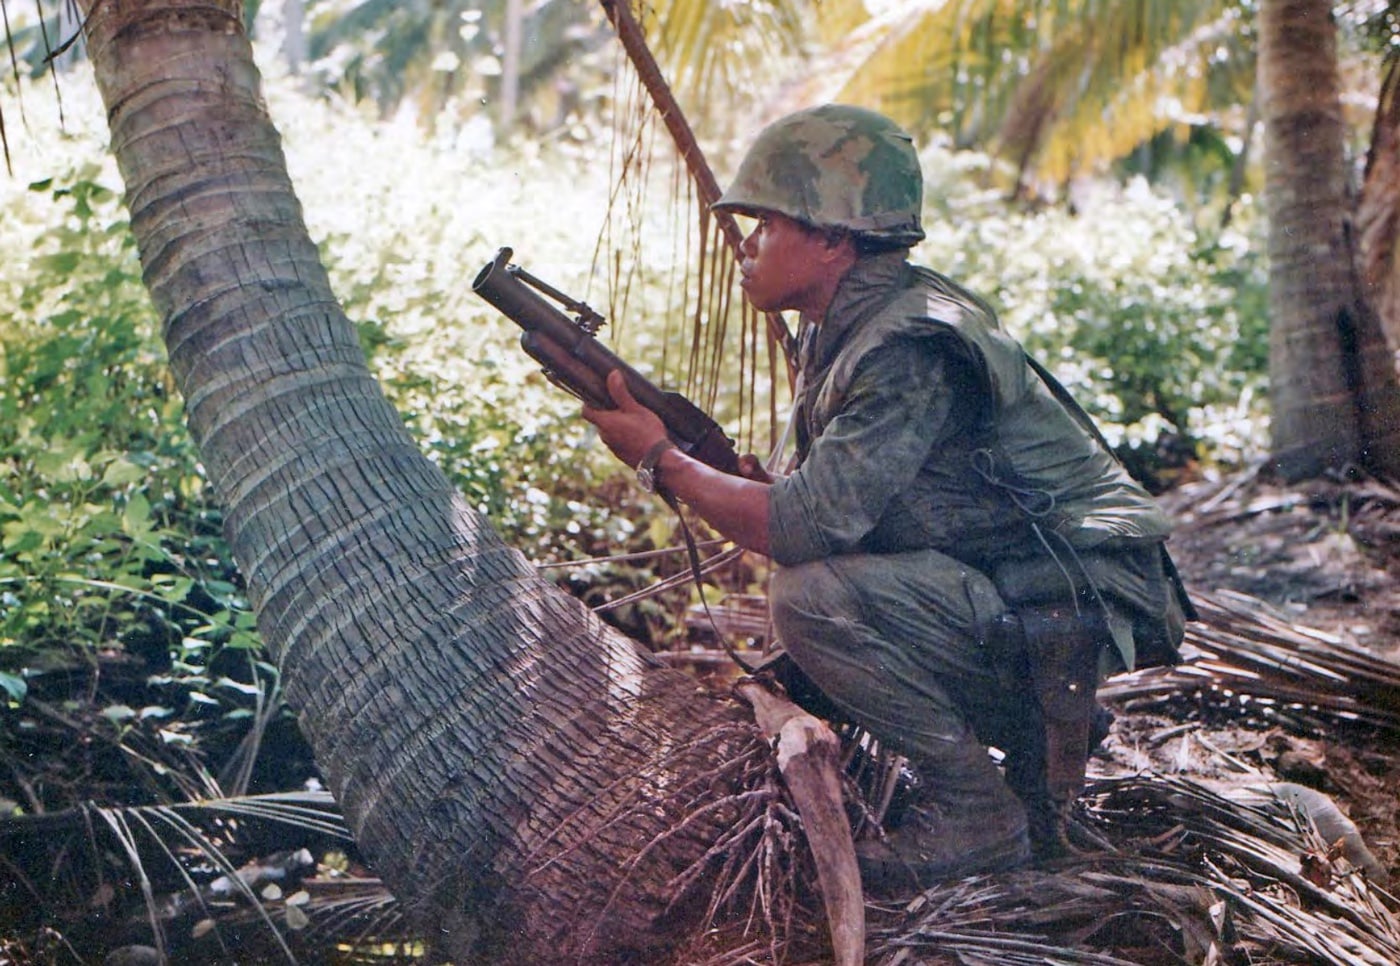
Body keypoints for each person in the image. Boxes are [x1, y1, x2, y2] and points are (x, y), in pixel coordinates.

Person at [582, 104, 1191, 888]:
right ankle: (1029, 730)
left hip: (1080, 596)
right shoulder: (854, 325)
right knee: (818, 586)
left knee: (808, 597)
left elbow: (802, 528)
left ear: (835, 240)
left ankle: (978, 812)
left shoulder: (904, 346)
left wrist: (662, 460)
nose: (748, 241)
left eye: (768, 221)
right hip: (1029, 587)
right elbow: (836, 499)